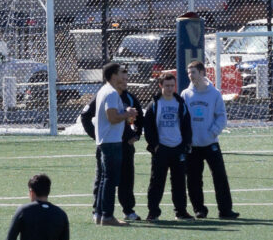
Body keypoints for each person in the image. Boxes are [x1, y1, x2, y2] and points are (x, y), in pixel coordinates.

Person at [182, 60, 238, 219]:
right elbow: (182, 118)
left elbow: (221, 116)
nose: (190, 75)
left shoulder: (214, 94)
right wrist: (187, 138)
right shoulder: (185, 94)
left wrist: (212, 132)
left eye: (193, 72)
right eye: (189, 72)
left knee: (220, 176)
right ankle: (199, 209)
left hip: (211, 143)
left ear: (202, 73)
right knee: (194, 179)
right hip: (193, 145)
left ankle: (225, 210)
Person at [142, 69, 197, 221]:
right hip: (161, 149)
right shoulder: (154, 104)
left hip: (178, 148)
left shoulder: (180, 103)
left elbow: (186, 125)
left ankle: (181, 211)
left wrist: (185, 144)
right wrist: (155, 145)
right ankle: (153, 212)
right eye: (167, 85)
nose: (170, 88)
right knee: (157, 182)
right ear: (161, 86)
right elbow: (148, 127)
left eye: (172, 85)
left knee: (179, 182)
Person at [88, 64, 137, 226]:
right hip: (111, 141)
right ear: (113, 75)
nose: (124, 76)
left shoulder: (104, 90)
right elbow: (112, 117)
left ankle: (100, 214)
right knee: (110, 180)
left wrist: (125, 112)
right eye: (121, 73)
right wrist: (128, 114)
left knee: (104, 179)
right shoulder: (111, 93)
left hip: (106, 140)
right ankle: (107, 216)